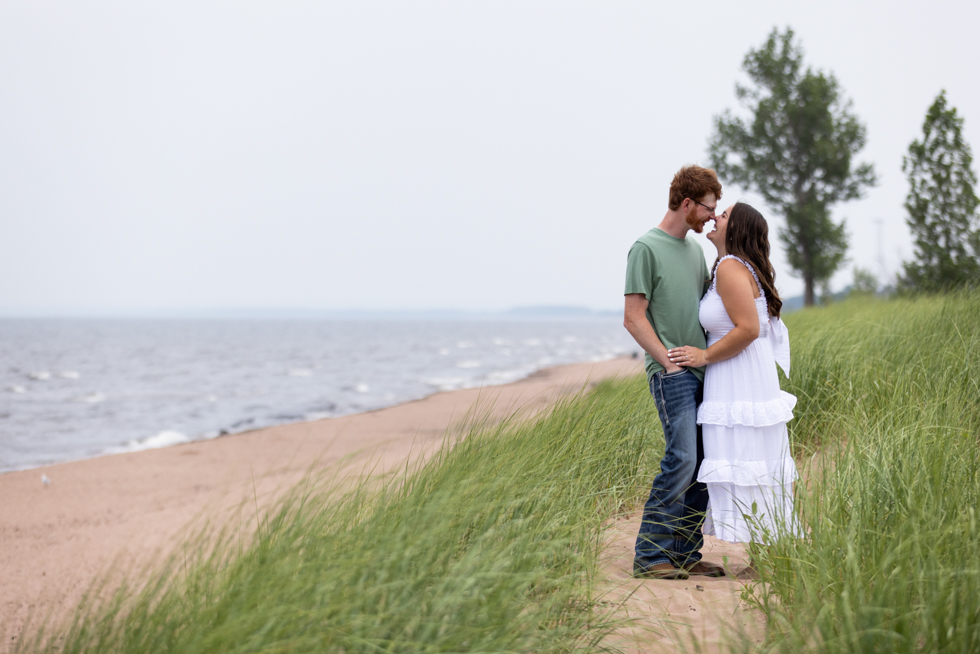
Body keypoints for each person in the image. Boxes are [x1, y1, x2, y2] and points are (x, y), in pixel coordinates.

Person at [667, 202, 798, 548]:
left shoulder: (729, 267)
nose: (714, 217)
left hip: (739, 374)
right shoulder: (732, 267)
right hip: (741, 372)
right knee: (750, 460)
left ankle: (766, 548)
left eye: (722, 215)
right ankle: (766, 548)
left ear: (735, 228)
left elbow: (750, 329)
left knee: (748, 458)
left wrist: (704, 355)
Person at [623, 165, 726, 580]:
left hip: (704, 373)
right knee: (682, 458)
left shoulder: (696, 251)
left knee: (703, 463)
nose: (711, 217)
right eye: (708, 208)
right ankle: (650, 557)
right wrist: (666, 361)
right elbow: (633, 317)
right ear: (687, 204)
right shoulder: (645, 248)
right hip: (672, 374)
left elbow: (709, 304)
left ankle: (684, 554)